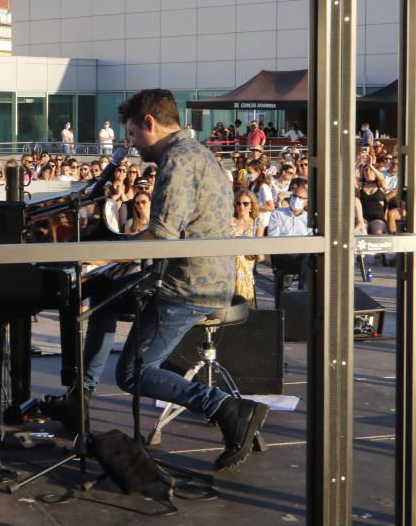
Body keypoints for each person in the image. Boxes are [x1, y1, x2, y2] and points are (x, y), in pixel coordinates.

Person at [57, 89, 266, 472]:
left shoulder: (179, 160)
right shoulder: (197, 152)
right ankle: (80, 397)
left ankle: (228, 409)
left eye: (133, 134)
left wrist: (100, 255)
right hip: (186, 275)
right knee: (103, 294)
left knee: (133, 373)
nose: (132, 144)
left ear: (149, 123)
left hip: (190, 286)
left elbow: (163, 236)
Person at [232, 188, 265, 302]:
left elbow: (258, 250)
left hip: (248, 264)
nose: (241, 207)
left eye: (245, 203)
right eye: (238, 203)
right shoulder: (229, 221)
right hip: (231, 264)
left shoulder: (257, 222)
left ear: (252, 205)